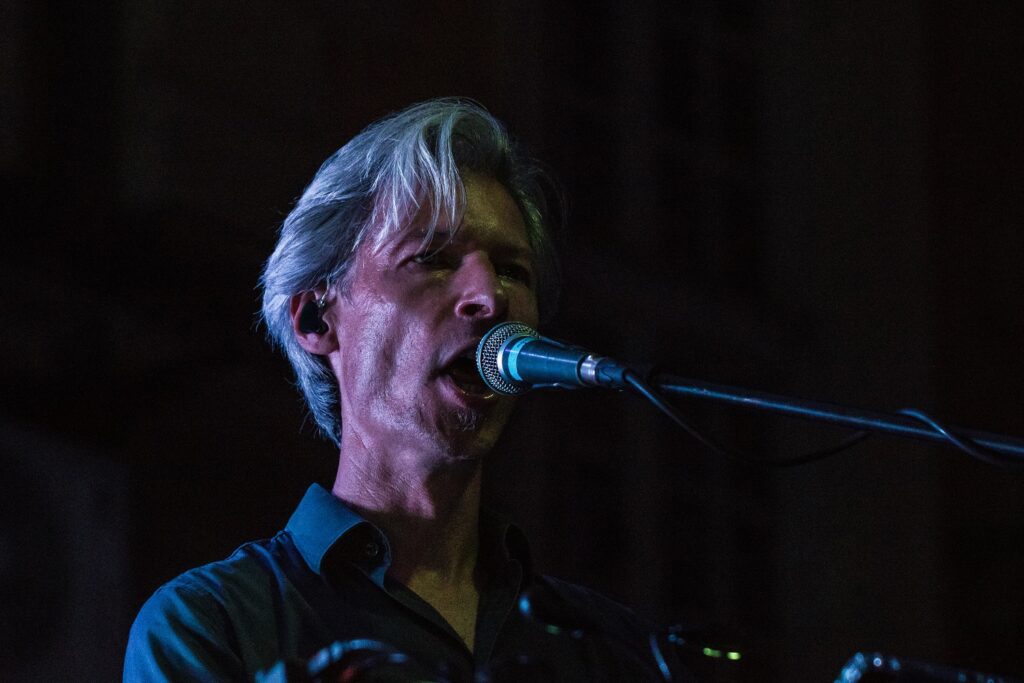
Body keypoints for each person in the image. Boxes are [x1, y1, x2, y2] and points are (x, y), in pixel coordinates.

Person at [124, 99, 690, 682]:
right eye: (432, 259)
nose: (490, 298)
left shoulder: (615, 650)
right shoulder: (217, 624)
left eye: (512, 271)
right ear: (317, 319)